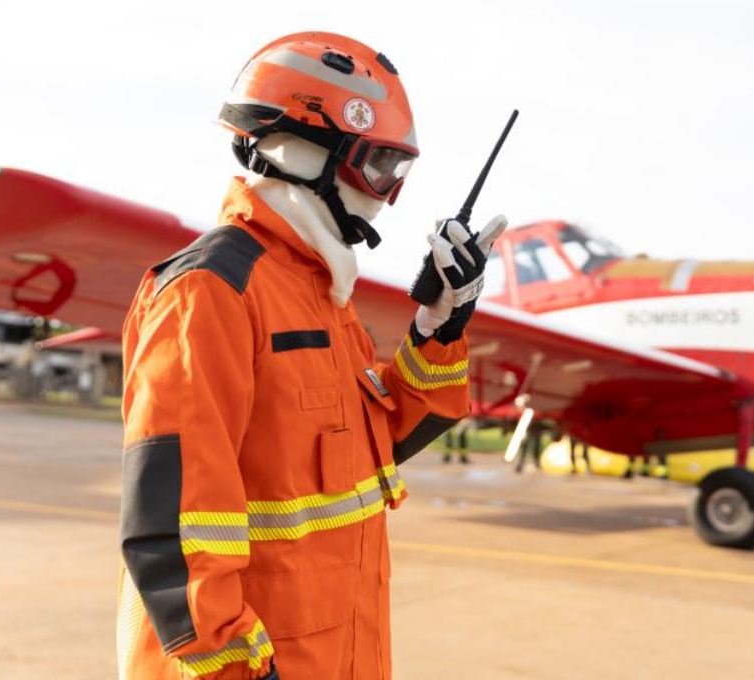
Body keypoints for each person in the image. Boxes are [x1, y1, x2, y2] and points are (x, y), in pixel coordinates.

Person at [116, 32, 506, 680]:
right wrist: (236, 669)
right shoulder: (209, 291)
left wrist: (438, 321)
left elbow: (379, 442)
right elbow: (176, 531)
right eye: (379, 165)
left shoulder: (317, 290)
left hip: (338, 655)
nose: (385, 193)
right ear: (301, 150)